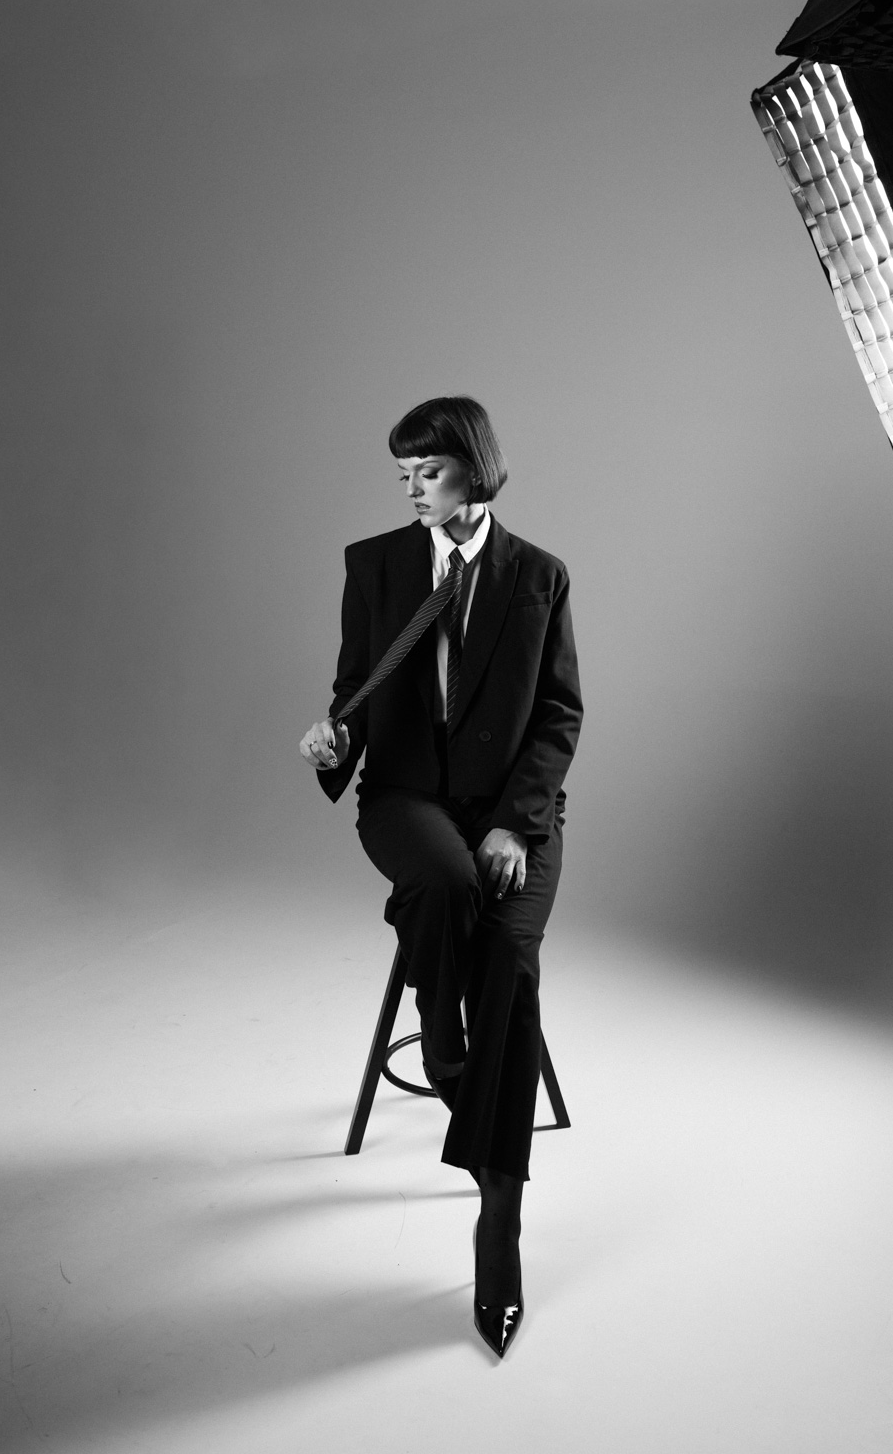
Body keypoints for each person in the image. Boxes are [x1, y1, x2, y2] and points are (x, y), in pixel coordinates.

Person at [300, 396, 582, 1357]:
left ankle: (497, 1220)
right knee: (446, 885)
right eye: (404, 474)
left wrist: (515, 824)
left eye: (428, 470)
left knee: (510, 955)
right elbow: (356, 687)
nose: (413, 488)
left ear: (473, 466)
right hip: (408, 796)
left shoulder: (537, 575)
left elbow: (558, 715)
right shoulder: (375, 565)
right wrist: (334, 739)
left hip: (514, 815)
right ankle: (447, 1044)